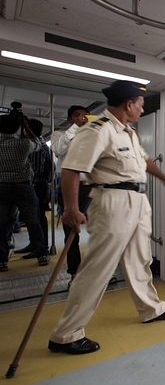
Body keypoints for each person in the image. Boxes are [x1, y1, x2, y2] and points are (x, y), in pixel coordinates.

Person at [48, 80, 165, 355]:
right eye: (141, 105)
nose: (142, 110)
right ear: (129, 104)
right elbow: (71, 170)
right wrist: (70, 209)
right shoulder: (98, 130)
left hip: (137, 201)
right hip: (112, 201)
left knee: (140, 259)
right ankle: (66, 334)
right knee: (98, 268)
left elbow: (144, 161)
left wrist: (164, 177)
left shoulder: (129, 133)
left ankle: (151, 309)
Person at [0, 111, 50, 272]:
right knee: (33, 221)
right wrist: (25, 126)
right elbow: (37, 142)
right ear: (17, 128)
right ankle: (42, 254)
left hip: (1, 186)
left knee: (2, 224)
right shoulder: (23, 145)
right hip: (23, 185)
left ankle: (2, 261)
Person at [50, 105, 92, 285]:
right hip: (69, 188)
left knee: (98, 230)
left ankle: (96, 271)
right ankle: (75, 271)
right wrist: (76, 127)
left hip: (90, 186)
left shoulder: (93, 135)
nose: (82, 118)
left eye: (85, 116)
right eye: (77, 115)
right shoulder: (59, 135)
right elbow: (59, 150)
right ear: (69, 119)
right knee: (71, 232)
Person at [14, 119, 53, 257]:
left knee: (37, 217)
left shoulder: (37, 147)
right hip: (39, 185)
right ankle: (35, 244)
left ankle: (40, 246)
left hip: (37, 185)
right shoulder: (41, 144)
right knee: (36, 216)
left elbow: (37, 169)